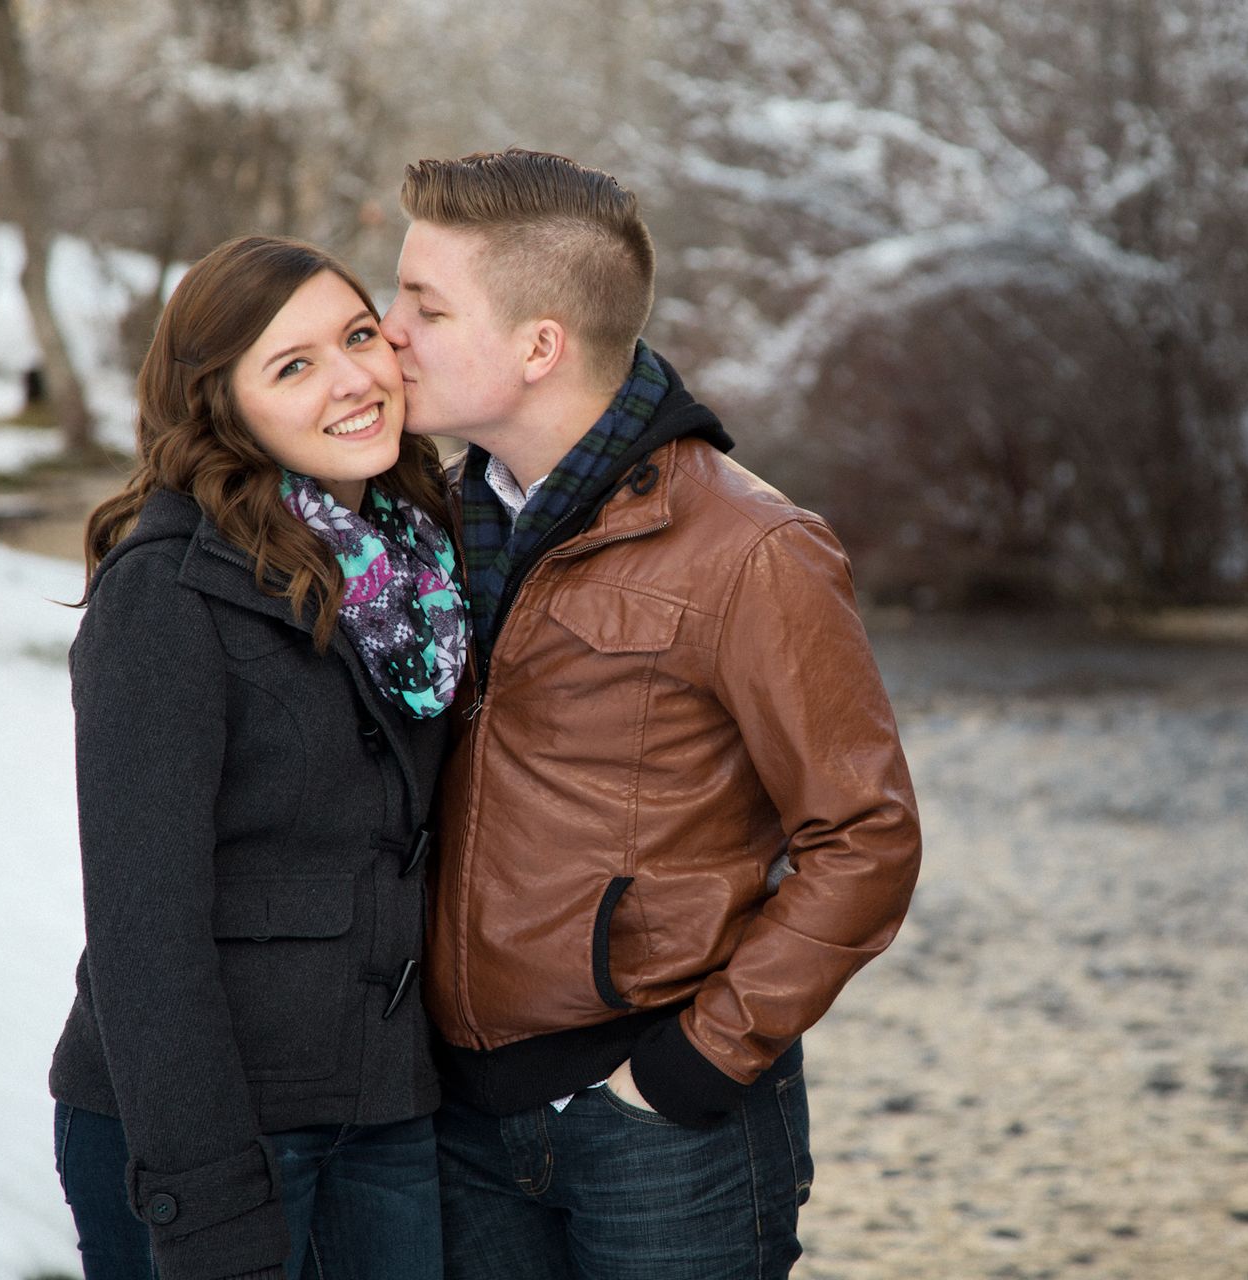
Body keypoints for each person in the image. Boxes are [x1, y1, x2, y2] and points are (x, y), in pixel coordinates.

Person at [378, 149, 921, 1280]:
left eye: (425, 306)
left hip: (662, 1133)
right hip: (462, 1118)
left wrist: (689, 1067)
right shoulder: (429, 519)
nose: (389, 331)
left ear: (540, 345)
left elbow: (866, 837)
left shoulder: (753, 549)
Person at [48, 235, 467, 1280]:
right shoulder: (167, 593)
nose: (353, 378)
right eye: (294, 365)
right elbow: (145, 930)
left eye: (358, 335)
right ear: (221, 409)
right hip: (216, 1129)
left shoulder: (420, 562)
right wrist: (210, 1195)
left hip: (385, 1110)